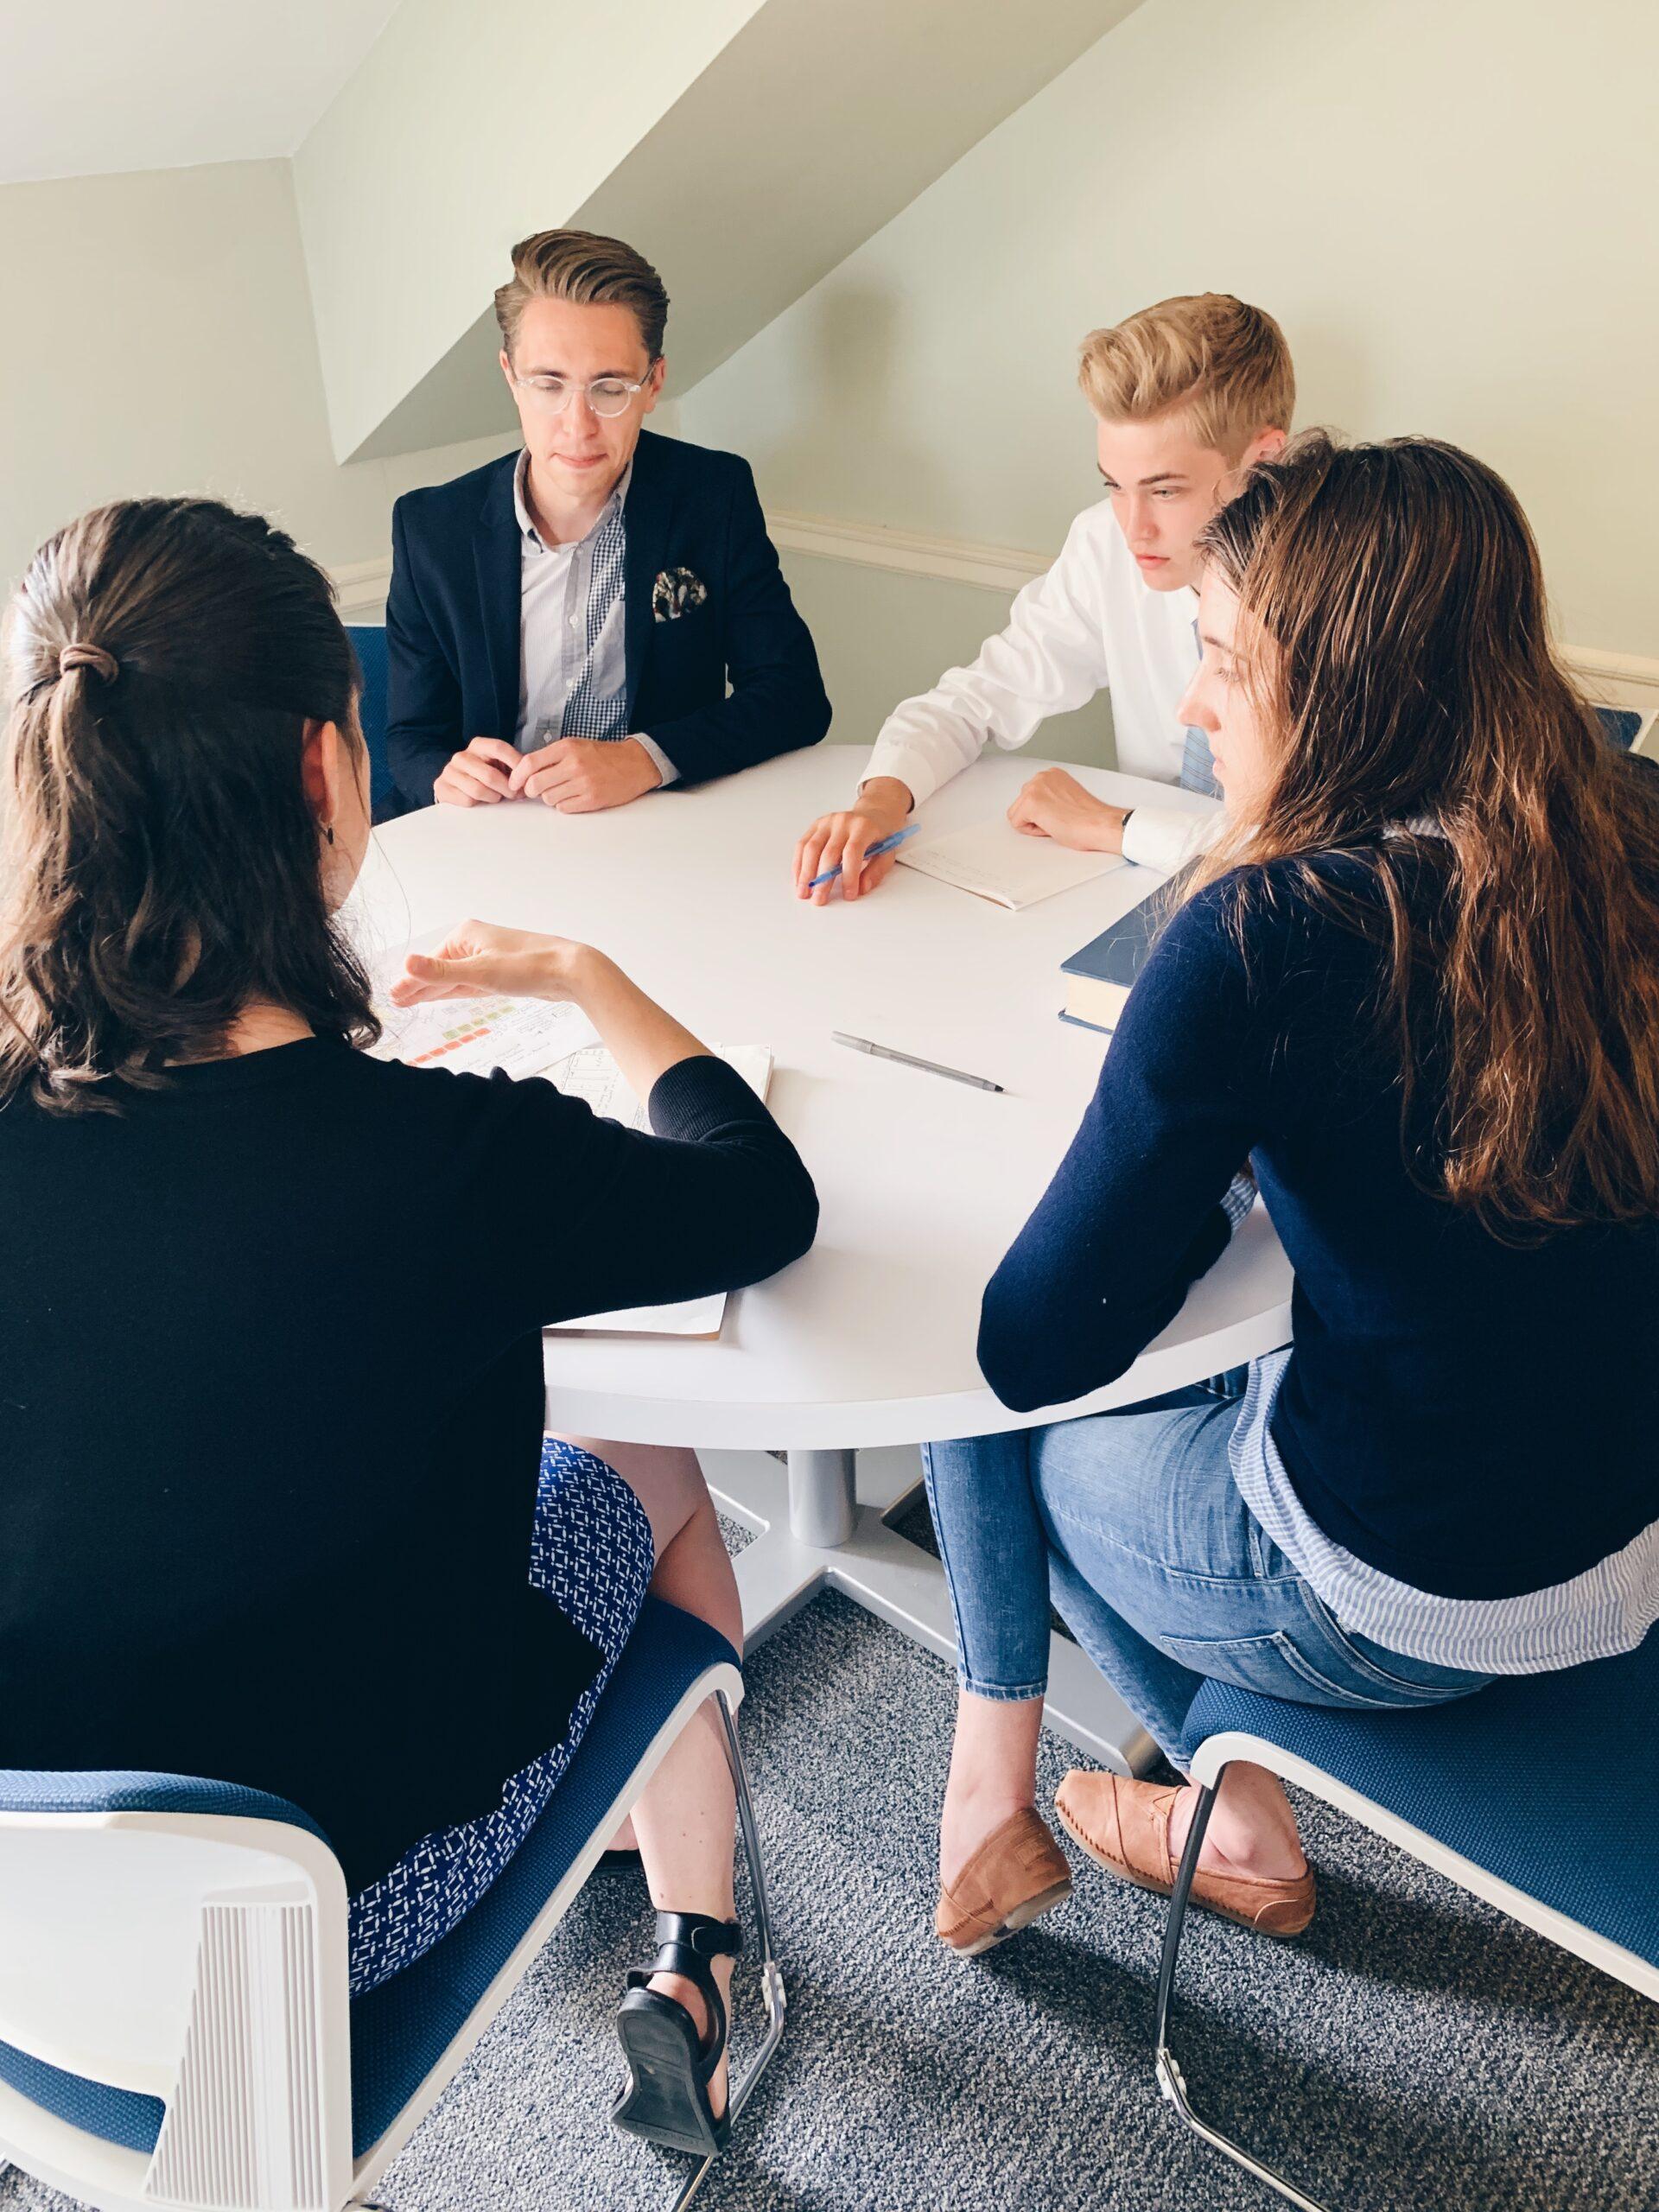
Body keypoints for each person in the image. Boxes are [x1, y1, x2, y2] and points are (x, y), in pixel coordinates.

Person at [0, 496, 819, 2152]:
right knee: (647, 1447)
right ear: (325, 770)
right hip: (312, 1919)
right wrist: (590, 978)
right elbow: (760, 1197)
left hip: (29, 1898)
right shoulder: (445, 1158)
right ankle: (695, 1962)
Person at [922, 433, 1659, 1957]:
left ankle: (1215, 1800)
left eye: (1221, 660)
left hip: (1421, 1591)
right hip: (1631, 1521)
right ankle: (1120, 1795)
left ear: (1343, 685)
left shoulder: (1268, 935)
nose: (1194, 706)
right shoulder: (1629, 811)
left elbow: (1032, 1348)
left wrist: (1191, 1166)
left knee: (993, 1419)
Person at [792, 293, 1292, 903]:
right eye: (1115, 486)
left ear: (1264, 459)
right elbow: (975, 698)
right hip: (1143, 896)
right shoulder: (1106, 544)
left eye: (1164, 491)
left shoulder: (1356, 588)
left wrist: (1115, 826)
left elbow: (1353, 854)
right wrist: (881, 801)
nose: (1133, 527)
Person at [386, 226, 830, 814]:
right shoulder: (431, 527)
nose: (578, 426)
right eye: (548, 384)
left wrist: (647, 757)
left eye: (610, 388)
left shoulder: (713, 496)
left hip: (650, 825)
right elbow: (410, 738)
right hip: (493, 833)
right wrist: (444, 775)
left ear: (654, 385)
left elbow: (794, 696)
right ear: (509, 377)